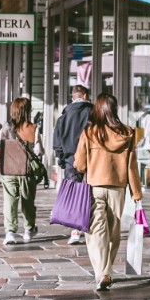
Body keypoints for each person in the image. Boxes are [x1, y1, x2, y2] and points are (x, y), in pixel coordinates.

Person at [74, 93, 143, 291]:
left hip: (95, 187)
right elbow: (132, 166)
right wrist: (136, 193)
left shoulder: (90, 132)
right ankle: (107, 270)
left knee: (96, 231)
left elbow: (79, 165)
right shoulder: (127, 133)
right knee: (113, 231)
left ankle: (103, 272)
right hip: (118, 188)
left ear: (98, 109)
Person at [53, 84, 93, 244]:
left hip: (71, 160)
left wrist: (62, 159)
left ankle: (75, 231)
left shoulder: (64, 114)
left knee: (76, 194)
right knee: (91, 192)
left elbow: (57, 140)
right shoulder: (92, 112)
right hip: (91, 158)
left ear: (73, 97)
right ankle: (90, 225)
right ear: (85, 96)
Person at [0, 97, 41, 244]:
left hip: (9, 169)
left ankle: (10, 232)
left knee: (10, 201)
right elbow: (39, 150)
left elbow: (0, 148)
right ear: (28, 111)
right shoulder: (33, 128)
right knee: (28, 201)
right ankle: (29, 230)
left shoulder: (5, 127)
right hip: (27, 171)